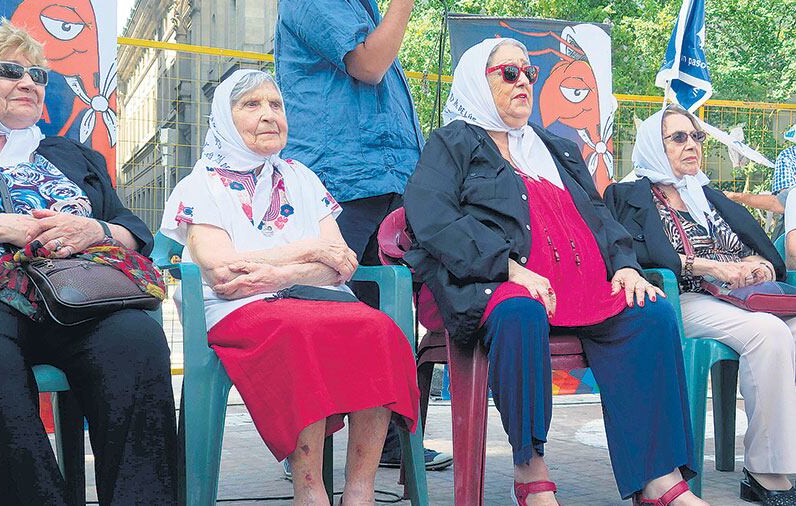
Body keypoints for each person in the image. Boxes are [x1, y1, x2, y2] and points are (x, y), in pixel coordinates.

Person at [404, 38, 703, 506]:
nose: (523, 80)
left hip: (578, 287)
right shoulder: (453, 142)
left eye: (529, 73)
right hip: (490, 284)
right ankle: (530, 469)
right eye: (509, 73)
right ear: (477, 81)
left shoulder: (556, 148)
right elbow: (432, 217)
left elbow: (600, 216)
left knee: (652, 313)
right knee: (520, 312)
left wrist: (624, 265)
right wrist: (506, 267)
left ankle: (658, 477)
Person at [0, 21, 176, 505]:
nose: (28, 82)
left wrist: (98, 231)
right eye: (9, 71)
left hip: (75, 293)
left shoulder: (69, 153)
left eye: (38, 75)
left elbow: (133, 230)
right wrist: (7, 227)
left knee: (137, 339)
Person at [159, 69, 420, 506]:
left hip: (307, 297)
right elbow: (225, 273)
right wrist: (306, 250)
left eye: (275, 105)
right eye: (251, 105)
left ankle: (360, 492)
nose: (268, 115)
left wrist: (280, 275)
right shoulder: (199, 184)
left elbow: (342, 263)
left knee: (380, 331)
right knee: (299, 334)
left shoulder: (301, 177)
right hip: (235, 307)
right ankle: (310, 491)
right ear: (225, 117)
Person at [274, 0, 451, 471]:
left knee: (387, 320)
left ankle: (389, 442)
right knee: (325, 311)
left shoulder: (365, 8)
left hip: (383, 180)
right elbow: (370, 65)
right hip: (339, 179)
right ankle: (306, 445)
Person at [605, 105, 796, 505]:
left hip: (736, 300)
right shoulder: (629, 195)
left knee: (790, 330)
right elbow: (634, 258)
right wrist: (711, 267)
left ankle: (783, 454)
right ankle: (766, 470)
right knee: (770, 332)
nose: (691, 144)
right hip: (681, 298)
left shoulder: (708, 195)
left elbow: (763, 250)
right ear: (654, 146)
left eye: (696, 137)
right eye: (678, 137)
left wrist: (757, 267)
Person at [724, 123, 796, 239]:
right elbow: (785, 203)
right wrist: (737, 196)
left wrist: (737, 196)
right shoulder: (789, 156)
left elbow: (780, 203)